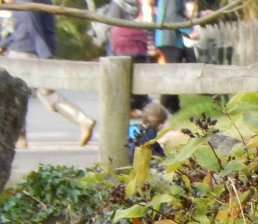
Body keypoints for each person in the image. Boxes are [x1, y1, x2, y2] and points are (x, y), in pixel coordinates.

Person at [0, 9, 95, 147]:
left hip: (22, 51)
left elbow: (31, 27)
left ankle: (20, 138)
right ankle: (82, 119)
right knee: (47, 94)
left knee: (15, 96)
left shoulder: (23, 3)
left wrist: (44, 55)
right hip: (32, 48)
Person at [102, 0, 153, 113]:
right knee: (118, 78)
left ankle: (138, 102)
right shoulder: (117, 4)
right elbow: (112, 24)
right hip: (119, 43)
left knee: (137, 74)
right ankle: (124, 105)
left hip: (137, 43)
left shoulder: (138, 4)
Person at [152, 0, 191, 113]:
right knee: (171, 74)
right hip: (169, 39)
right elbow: (172, 17)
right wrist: (189, 29)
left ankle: (172, 106)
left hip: (169, 39)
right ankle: (169, 107)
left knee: (171, 73)